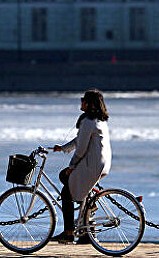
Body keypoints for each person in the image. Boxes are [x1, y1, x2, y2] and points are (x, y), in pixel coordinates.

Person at [51, 89, 112, 243]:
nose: (81, 102)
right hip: (102, 164)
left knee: (66, 193)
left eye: (83, 100)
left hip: (91, 164)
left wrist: (72, 166)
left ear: (89, 103)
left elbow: (81, 149)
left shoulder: (87, 122)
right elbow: (79, 140)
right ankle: (86, 217)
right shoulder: (99, 120)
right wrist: (63, 148)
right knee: (64, 177)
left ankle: (69, 232)